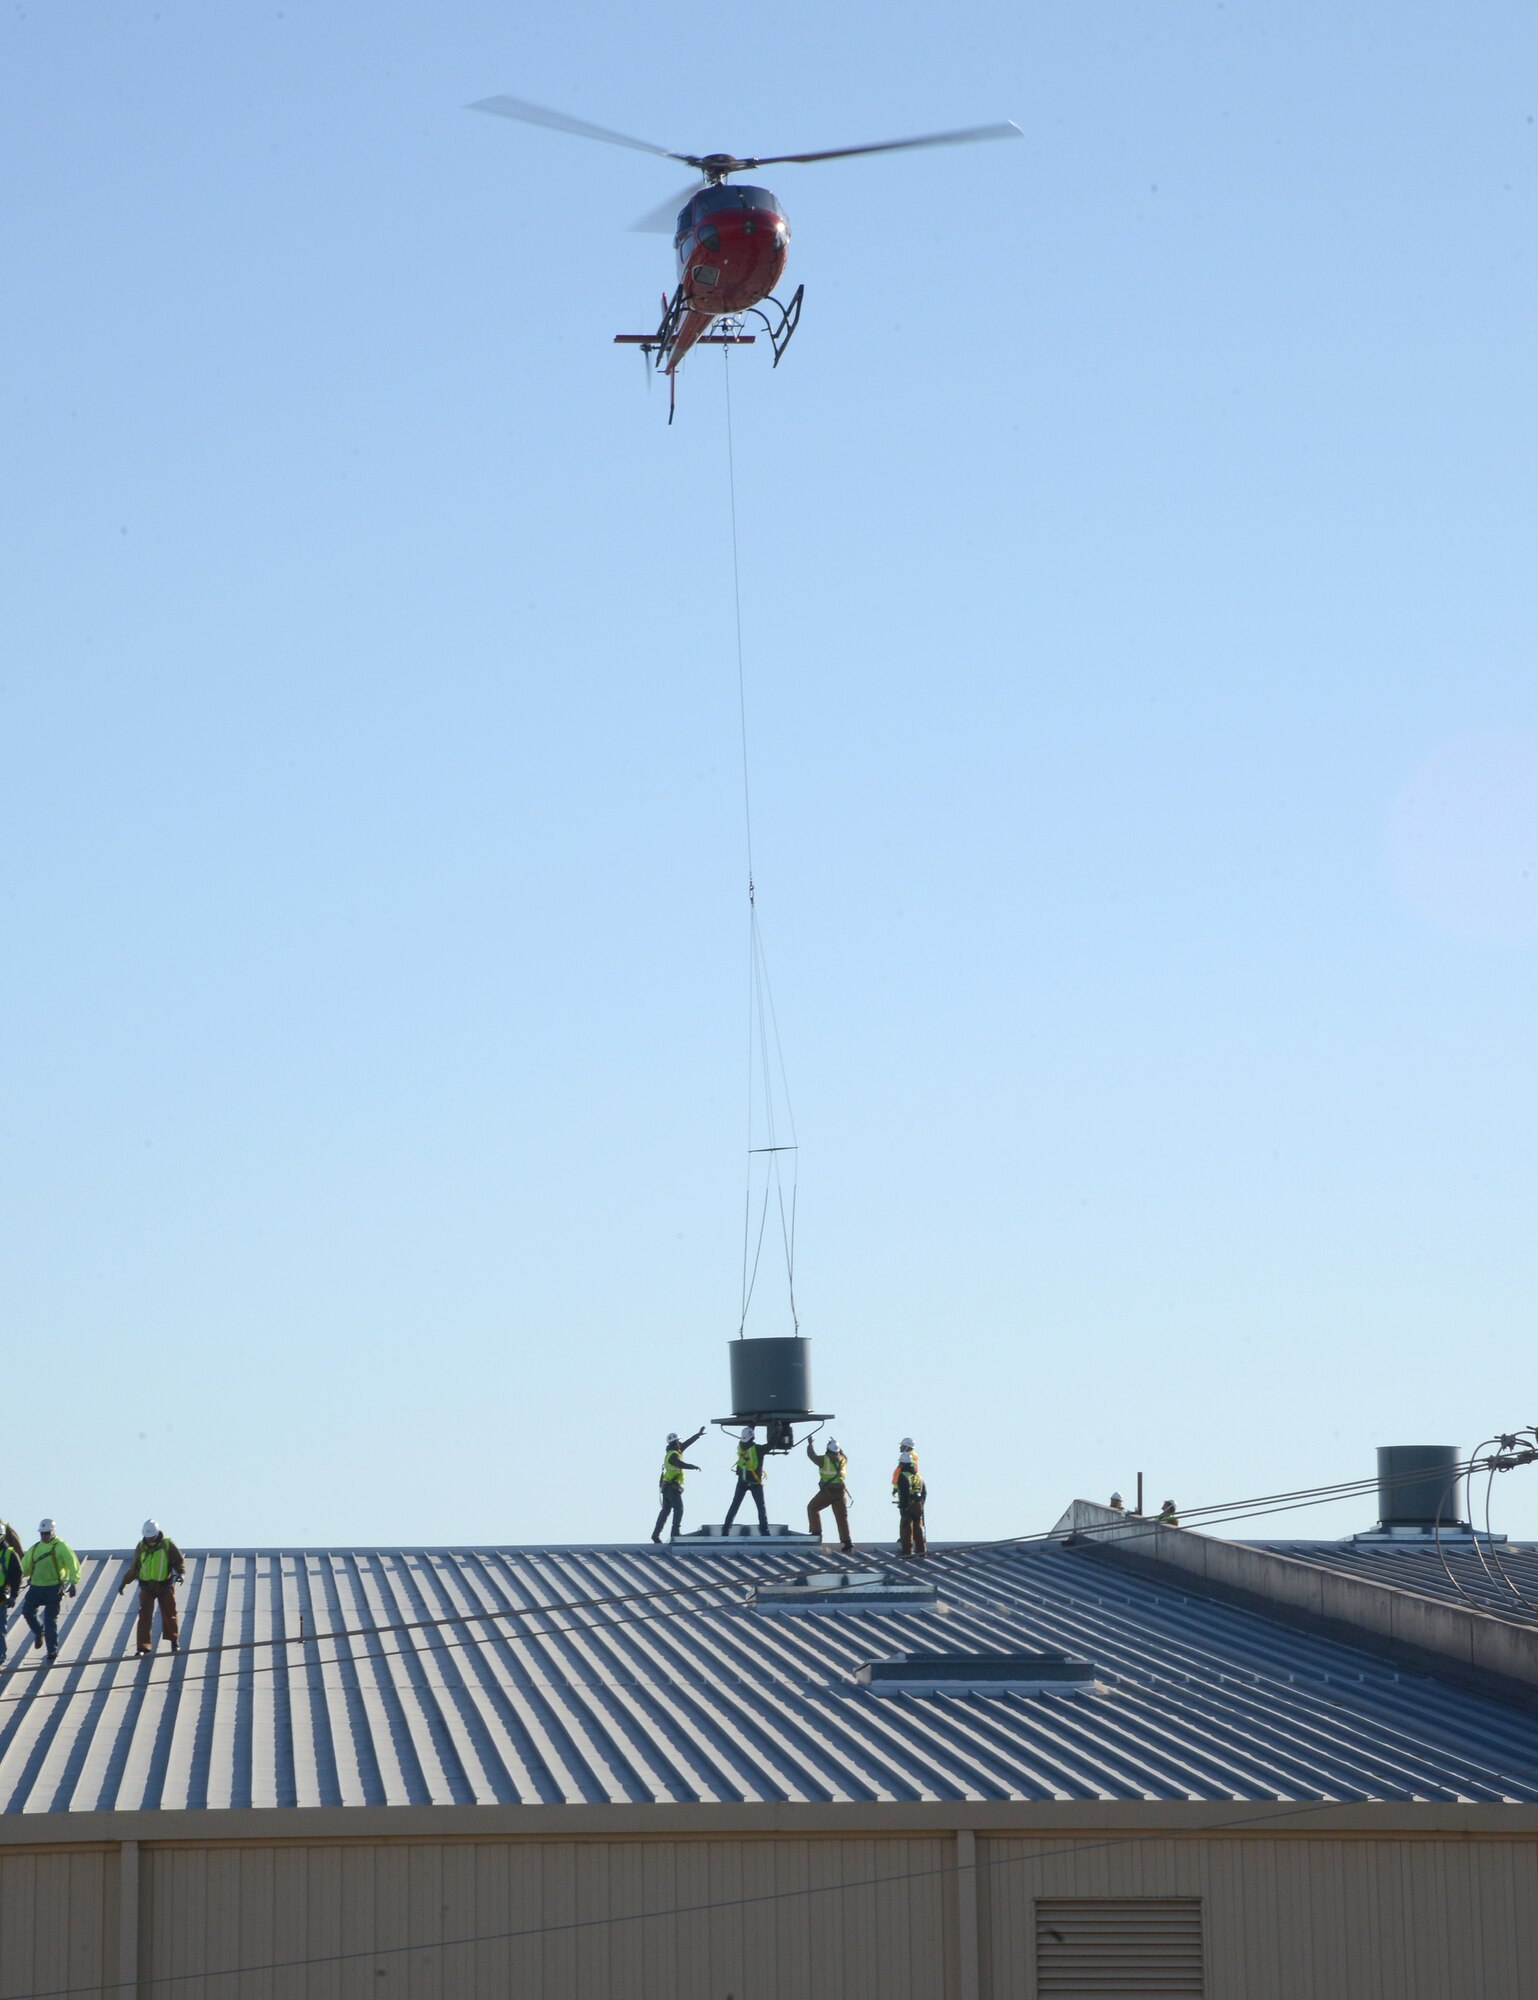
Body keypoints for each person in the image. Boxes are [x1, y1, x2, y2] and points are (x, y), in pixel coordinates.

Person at [117, 1520, 186, 1656]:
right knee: (144, 1616)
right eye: (148, 1537)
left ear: (157, 1533)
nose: (150, 1539)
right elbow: (134, 1567)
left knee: (170, 1614)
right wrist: (124, 1582)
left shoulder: (167, 1545)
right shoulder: (141, 1546)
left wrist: (181, 1573)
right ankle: (143, 1647)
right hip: (147, 1586)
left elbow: (178, 1561)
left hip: (165, 1585)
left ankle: (174, 1641)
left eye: (152, 1536)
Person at [21, 1519, 81, 1665]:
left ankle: (52, 1650)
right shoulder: (35, 1548)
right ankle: (38, 1632)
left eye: (47, 1533)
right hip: (36, 1586)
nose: (44, 1536)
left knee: (50, 1620)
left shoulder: (61, 1547)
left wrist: (73, 1583)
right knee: (27, 1611)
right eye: (42, 1534)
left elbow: (73, 1565)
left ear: (53, 1532)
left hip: (53, 1588)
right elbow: (23, 1568)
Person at [652, 1428, 704, 1544]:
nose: (681, 1444)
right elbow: (680, 1464)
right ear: (676, 1443)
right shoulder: (674, 1455)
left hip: (666, 1487)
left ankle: (656, 1535)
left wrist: (697, 1435)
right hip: (672, 1487)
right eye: (679, 1442)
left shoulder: (673, 1452)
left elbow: (687, 1444)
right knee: (678, 1509)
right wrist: (693, 1466)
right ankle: (675, 1532)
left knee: (665, 1511)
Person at [806, 1436, 854, 1551]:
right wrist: (839, 1447)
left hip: (827, 1493)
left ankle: (816, 1533)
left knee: (812, 1507)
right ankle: (847, 1542)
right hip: (840, 1493)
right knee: (842, 1518)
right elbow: (842, 1453)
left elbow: (812, 1456)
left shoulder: (824, 1460)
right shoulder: (843, 1459)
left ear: (828, 1449)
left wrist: (810, 1445)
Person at [722, 1426, 770, 1535]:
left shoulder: (740, 1446)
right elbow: (771, 1445)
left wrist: (753, 1423)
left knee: (734, 1506)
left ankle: (725, 1531)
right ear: (752, 1437)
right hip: (755, 1483)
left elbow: (746, 1436)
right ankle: (765, 1531)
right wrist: (778, 1430)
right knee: (761, 1508)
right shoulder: (758, 1449)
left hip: (742, 1482)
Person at [893, 1450, 927, 1557]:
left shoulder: (903, 1475)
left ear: (902, 1464)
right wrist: (921, 1503)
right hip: (918, 1505)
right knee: (918, 1528)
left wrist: (904, 1507)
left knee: (906, 1528)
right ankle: (921, 1551)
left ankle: (906, 1551)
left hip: (909, 1504)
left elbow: (904, 1492)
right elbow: (924, 1492)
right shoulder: (919, 1476)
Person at [0, 1534, 20, 1667]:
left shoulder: (9, 1553)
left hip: (1, 1596)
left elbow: (17, 1574)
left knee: (0, 1629)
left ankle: (1, 1655)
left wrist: (13, 1595)